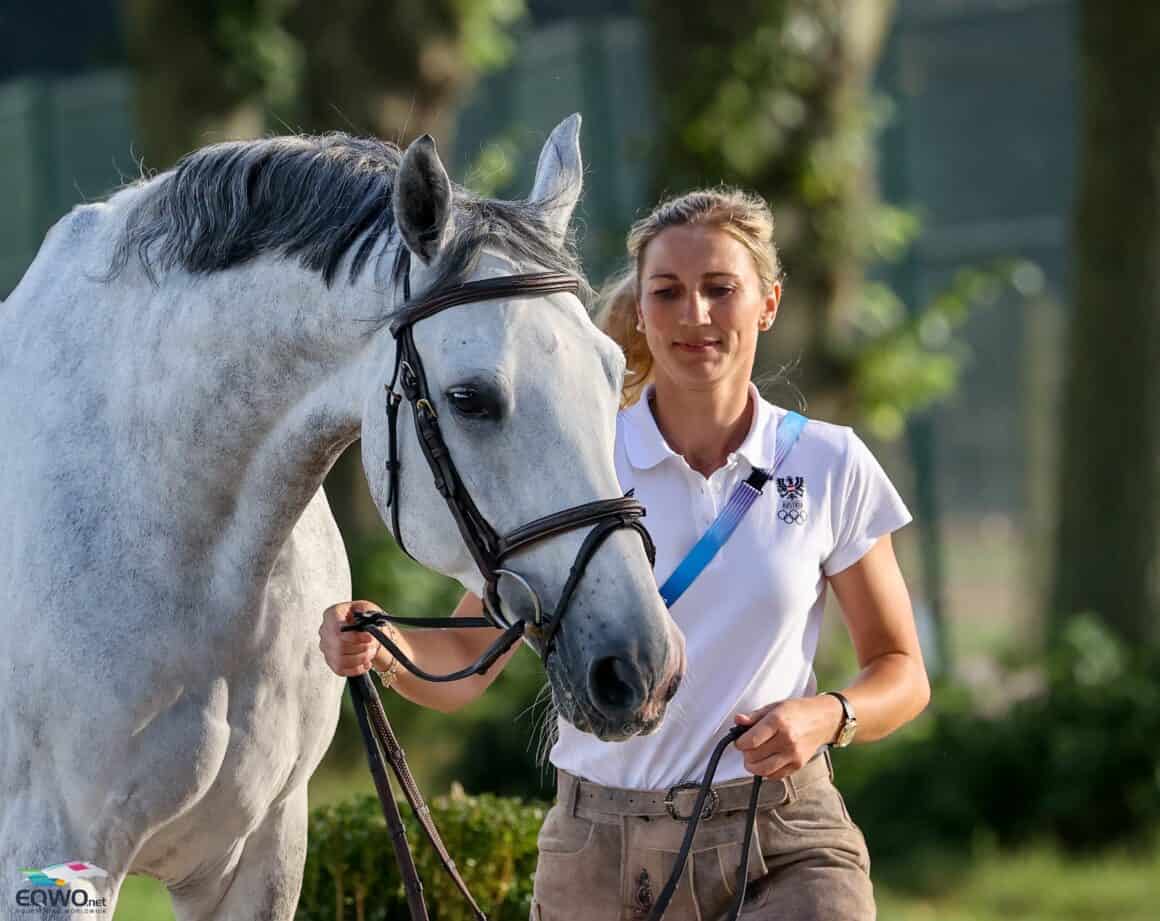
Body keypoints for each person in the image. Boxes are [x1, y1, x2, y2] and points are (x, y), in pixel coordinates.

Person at [319, 188, 930, 920]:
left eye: (720, 289)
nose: (694, 314)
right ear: (638, 310)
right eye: (667, 292)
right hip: (599, 855)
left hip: (784, 841)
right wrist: (382, 646)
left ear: (767, 304)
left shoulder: (830, 462)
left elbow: (901, 671)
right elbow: (466, 654)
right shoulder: (581, 458)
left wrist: (827, 715)